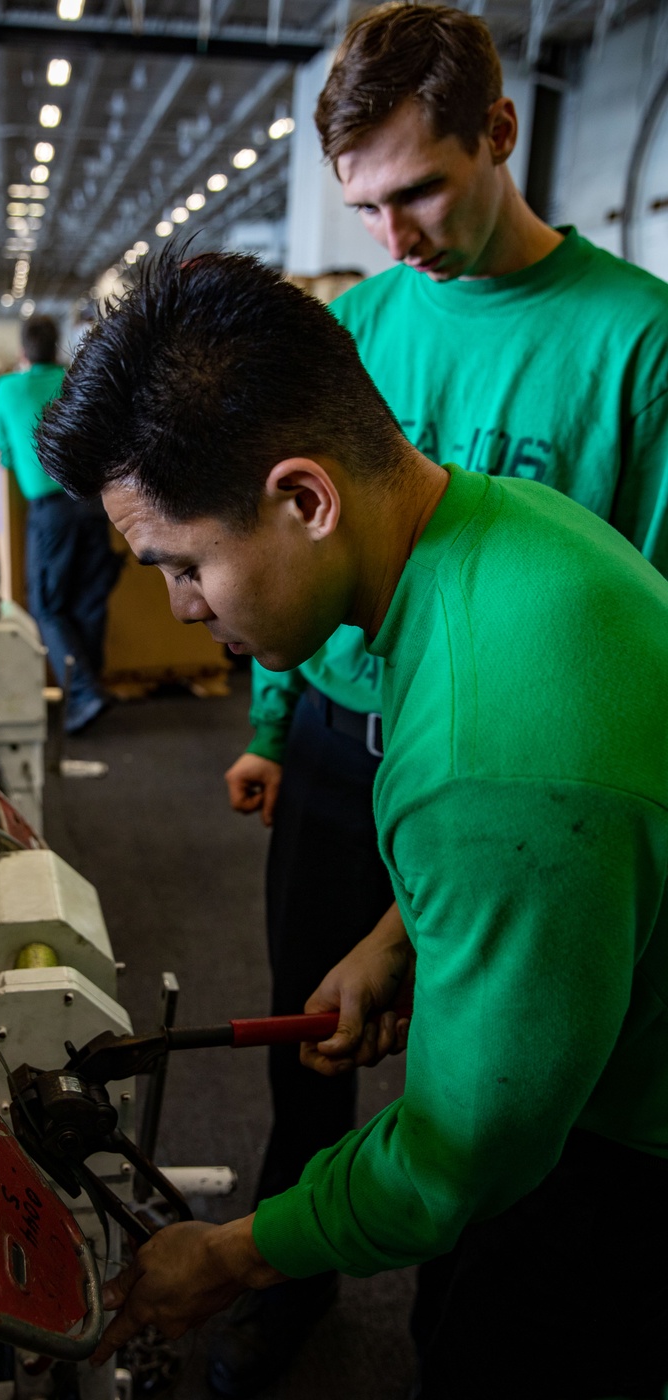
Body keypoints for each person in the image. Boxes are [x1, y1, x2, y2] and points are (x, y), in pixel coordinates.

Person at [36, 247, 668, 1400]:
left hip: (630, 1151)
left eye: (184, 567)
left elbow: (458, 1156)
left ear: (303, 497)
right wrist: (397, 938)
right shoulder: (502, 521)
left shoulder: (484, 756)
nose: (179, 608)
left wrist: (232, 1253)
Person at [221, 5, 668, 1390]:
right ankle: (287, 1279)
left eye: (419, 188)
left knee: (500, 1081)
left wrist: (416, 913)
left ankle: (470, 1309)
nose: (396, 234)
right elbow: (282, 541)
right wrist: (269, 728)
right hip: (354, 755)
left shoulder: (635, 338)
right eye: (365, 206)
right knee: (314, 1023)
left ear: (502, 134)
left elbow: (640, 604)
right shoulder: (358, 328)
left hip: (522, 764)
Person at [0, 314, 120, 733]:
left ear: (24, 350)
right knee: (88, 599)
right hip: (96, 502)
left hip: (51, 513)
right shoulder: (77, 378)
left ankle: (84, 693)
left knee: (48, 606)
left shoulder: (7, 387)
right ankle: (91, 684)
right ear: (58, 343)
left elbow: (4, 453)